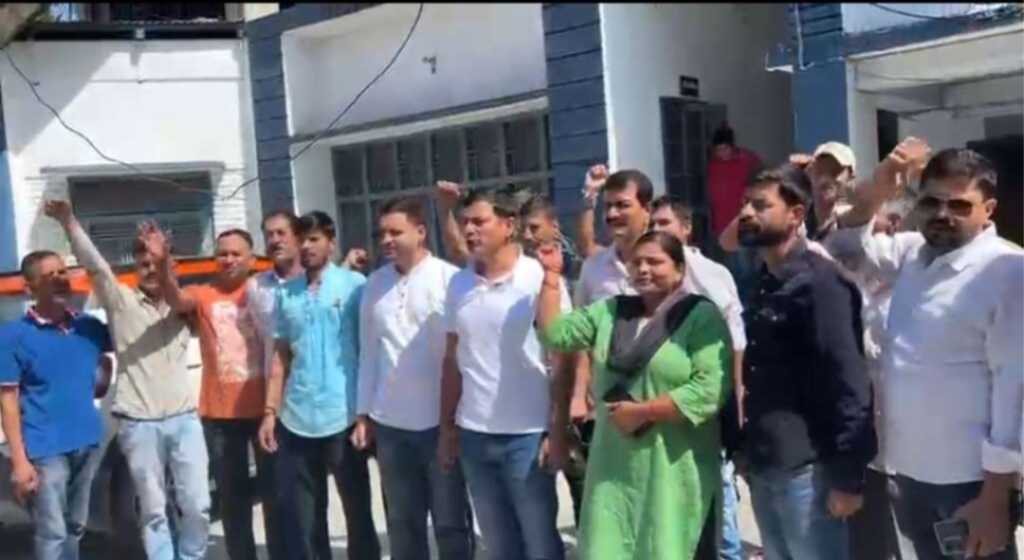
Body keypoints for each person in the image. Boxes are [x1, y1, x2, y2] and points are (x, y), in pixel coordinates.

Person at [836, 145, 1023, 560]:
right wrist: (880, 182)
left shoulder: (1008, 272)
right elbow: (841, 244)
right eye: (931, 202)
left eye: (959, 205)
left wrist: (996, 495)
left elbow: (1015, 390)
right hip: (908, 474)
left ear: (988, 209)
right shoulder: (911, 255)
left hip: (971, 483)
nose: (942, 214)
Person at [535, 230, 733, 559]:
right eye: (636, 262)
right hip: (614, 467)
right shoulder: (611, 311)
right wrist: (551, 277)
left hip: (674, 466)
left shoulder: (701, 317)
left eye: (654, 262)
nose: (643, 269)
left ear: (680, 269)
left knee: (669, 545)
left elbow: (709, 390)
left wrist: (644, 412)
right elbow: (555, 335)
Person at [46, 199, 211, 560]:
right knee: (153, 511)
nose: (150, 270)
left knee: (197, 505)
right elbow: (94, 265)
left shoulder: (185, 304)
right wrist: (69, 221)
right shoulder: (121, 302)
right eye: (143, 264)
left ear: (172, 264)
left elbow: (176, 297)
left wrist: (163, 261)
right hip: (139, 423)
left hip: (184, 421)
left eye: (157, 263)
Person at [732, 164, 876, 560]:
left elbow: (848, 381)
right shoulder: (764, 281)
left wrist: (847, 476)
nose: (746, 213)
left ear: (796, 214)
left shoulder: (822, 284)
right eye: (745, 204)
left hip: (808, 470)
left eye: (760, 205)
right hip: (767, 461)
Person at [437, 189, 572, 560]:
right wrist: (447, 428)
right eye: (465, 222)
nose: (469, 230)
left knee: (540, 544)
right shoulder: (459, 283)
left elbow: (562, 357)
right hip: (475, 434)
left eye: (479, 222)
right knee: (499, 546)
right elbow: (452, 359)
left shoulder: (540, 278)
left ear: (509, 225)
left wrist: (558, 428)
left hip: (528, 434)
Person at [139, 226, 282, 560]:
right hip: (221, 417)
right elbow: (175, 298)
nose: (228, 259)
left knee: (275, 496)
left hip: (266, 412)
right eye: (222, 254)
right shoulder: (203, 294)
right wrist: (162, 261)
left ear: (251, 259)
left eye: (236, 254)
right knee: (233, 501)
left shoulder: (264, 291)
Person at [257, 211, 381, 560]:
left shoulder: (354, 285)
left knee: (357, 510)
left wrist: (365, 413)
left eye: (314, 239)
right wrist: (270, 412)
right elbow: (281, 357)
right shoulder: (288, 293)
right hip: (298, 416)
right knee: (307, 518)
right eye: (302, 240)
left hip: (343, 415)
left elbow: (370, 351)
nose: (307, 246)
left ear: (331, 242)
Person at [356, 196, 474, 560]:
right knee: (402, 522)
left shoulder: (448, 279)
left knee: (450, 522)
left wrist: (455, 419)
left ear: (420, 232)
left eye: (396, 232)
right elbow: (369, 353)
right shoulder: (374, 285)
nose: (387, 240)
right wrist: (363, 414)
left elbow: (462, 354)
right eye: (382, 234)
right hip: (391, 426)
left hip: (441, 424)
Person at [648, 195, 748, 560]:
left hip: (708, 401)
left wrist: (736, 400)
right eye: (652, 224)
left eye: (664, 223)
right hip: (664, 404)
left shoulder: (710, 275)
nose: (656, 229)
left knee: (719, 492)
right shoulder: (647, 272)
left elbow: (736, 340)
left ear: (686, 228)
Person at [0, 247, 113, 560]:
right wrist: (20, 462)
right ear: (30, 288)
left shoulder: (89, 327)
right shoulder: (13, 336)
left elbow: (126, 337)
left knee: (76, 527)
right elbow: (7, 401)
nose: (60, 279)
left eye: (63, 272)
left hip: (87, 441)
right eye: (49, 275)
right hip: (45, 448)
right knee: (52, 533)